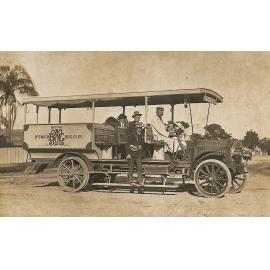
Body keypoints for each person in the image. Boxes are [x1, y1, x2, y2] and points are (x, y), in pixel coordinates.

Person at [126, 121, 145, 186]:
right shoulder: (132, 134)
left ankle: (139, 180)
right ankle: (130, 181)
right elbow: (128, 144)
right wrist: (128, 153)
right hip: (131, 153)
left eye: (140, 128)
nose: (139, 129)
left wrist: (141, 146)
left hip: (138, 154)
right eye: (138, 128)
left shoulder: (142, 135)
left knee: (139, 168)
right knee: (131, 168)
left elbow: (143, 143)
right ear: (136, 128)